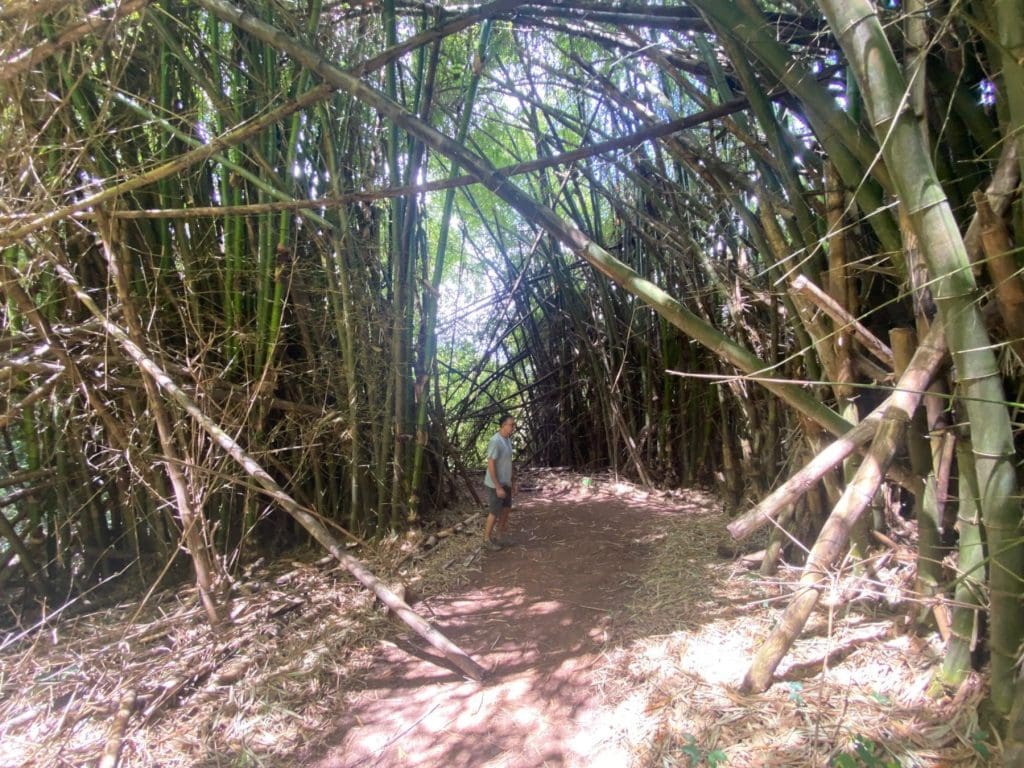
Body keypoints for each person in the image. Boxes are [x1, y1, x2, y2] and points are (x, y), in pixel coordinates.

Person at [482, 413, 515, 550]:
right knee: (494, 511)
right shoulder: (495, 441)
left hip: (505, 482)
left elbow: (509, 462)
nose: (513, 427)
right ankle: (486, 540)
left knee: (506, 508)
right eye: (511, 425)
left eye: (514, 425)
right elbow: (491, 465)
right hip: (495, 484)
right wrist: (497, 487)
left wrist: (513, 481)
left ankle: (499, 536)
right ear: (503, 425)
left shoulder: (507, 439)